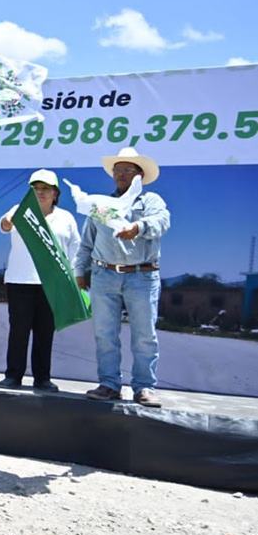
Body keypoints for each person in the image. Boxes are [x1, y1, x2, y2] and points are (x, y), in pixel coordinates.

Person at [74, 148, 171, 408]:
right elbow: (87, 243)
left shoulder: (150, 201)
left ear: (140, 175)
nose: (121, 174)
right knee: (104, 334)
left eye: (128, 170)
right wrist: (80, 271)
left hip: (142, 276)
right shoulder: (102, 206)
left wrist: (138, 227)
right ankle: (109, 384)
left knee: (144, 335)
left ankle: (144, 387)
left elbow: (162, 221)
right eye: (118, 170)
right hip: (103, 274)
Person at [0, 170, 81, 391]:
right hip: (20, 281)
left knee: (45, 332)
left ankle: (42, 378)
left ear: (55, 193)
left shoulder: (66, 218)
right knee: (19, 331)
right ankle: (13, 375)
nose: (40, 193)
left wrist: (73, 277)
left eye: (45, 189)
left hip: (52, 283)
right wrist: (8, 221)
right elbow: (4, 225)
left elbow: (75, 249)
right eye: (36, 189)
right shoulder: (20, 210)